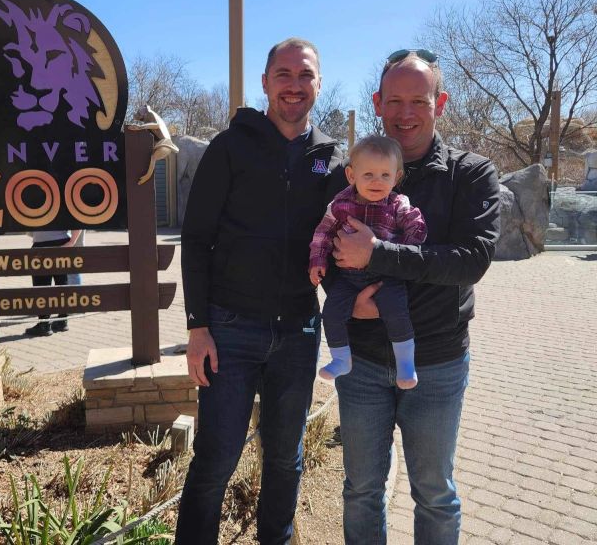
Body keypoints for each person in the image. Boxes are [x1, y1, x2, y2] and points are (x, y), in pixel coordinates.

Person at [326, 49, 500, 544]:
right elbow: (324, 247)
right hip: (359, 361)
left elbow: (471, 260)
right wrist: (343, 300)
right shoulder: (354, 172)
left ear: (439, 103)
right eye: (395, 100)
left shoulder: (470, 173)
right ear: (378, 103)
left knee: (434, 491)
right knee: (361, 489)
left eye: (418, 101)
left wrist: (377, 255)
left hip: (438, 362)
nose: (406, 113)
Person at [177, 38, 342, 544]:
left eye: (305, 75)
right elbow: (197, 237)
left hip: (297, 330)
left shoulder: (331, 161)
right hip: (230, 330)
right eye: (284, 74)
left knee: (285, 457)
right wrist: (197, 326)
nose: (295, 85)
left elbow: (337, 241)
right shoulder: (232, 147)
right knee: (217, 456)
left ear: (318, 83)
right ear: (266, 82)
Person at [310, 135, 427, 390]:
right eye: (369, 174)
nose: (377, 181)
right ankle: (341, 359)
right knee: (331, 312)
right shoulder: (340, 204)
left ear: (396, 178)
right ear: (352, 176)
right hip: (348, 278)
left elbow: (414, 224)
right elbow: (323, 233)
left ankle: (406, 364)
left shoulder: (398, 204)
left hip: (386, 276)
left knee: (397, 311)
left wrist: (413, 240)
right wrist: (317, 260)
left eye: (386, 175)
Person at [24, 229, 82, 337]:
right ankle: (62, 321)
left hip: (45, 244)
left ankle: (44, 325)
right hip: (60, 242)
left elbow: (78, 219)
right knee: (61, 284)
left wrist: (72, 242)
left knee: (42, 287)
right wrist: (71, 242)